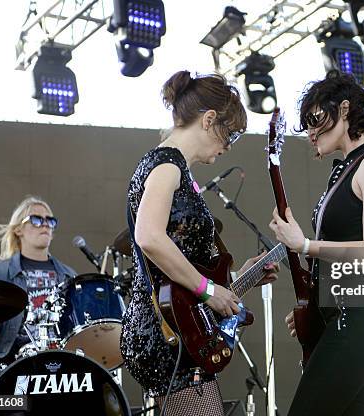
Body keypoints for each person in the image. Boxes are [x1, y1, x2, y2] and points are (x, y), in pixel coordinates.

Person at [121, 70, 279, 416]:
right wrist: (208, 289)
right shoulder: (166, 165)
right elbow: (148, 236)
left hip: (174, 325)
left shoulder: (173, 167)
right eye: (230, 135)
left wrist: (236, 278)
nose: (228, 147)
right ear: (209, 120)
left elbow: (184, 262)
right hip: (165, 332)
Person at [268, 70, 364, 416]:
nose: (310, 133)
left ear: (344, 110)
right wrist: (310, 307)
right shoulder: (344, 170)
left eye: (315, 119)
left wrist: (306, 245)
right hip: (342, 316)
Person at [0, 196, 76, 364]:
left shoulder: (68, 275)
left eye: (50, 221)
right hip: (9, 364)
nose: (45, 224)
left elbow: (75, 328)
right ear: (18, 229)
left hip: (56, 363)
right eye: (36, 219)